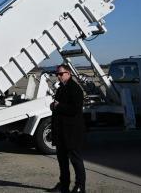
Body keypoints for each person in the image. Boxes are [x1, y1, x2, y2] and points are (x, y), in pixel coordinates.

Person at [49, 64, 86, 193]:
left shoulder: (75, 89)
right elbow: (58, 105)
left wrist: (58, 106)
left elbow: (75, 109)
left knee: (75, 160)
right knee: (62, 161)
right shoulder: (61, 88)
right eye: (57, 74)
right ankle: (64, 185)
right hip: (61, 132)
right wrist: (53, 105)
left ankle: (80, 186)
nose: (58, 76)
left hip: (72, 132)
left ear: (68, 73)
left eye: (60, 74)